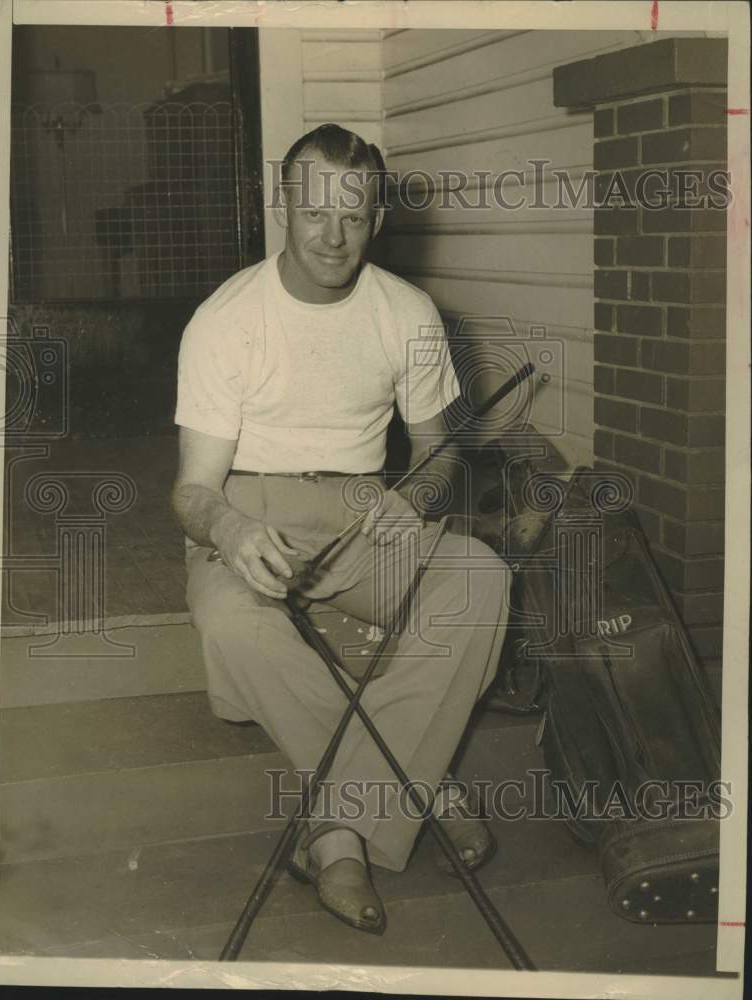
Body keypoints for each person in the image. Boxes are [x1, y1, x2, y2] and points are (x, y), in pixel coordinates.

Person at [171, 124, 511, 936]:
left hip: (365, 513)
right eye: (315, 212)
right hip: (253, 512)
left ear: (376, 219)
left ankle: (339, 820)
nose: (332, 236)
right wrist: (228, 527)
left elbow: (439, 456)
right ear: (283, 206)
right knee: (227, 618)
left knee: (478, 576)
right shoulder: (225, 319)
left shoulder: (406, 311)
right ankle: (406, 794)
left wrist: (417, 497)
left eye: (353, 216)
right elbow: (190, 491)